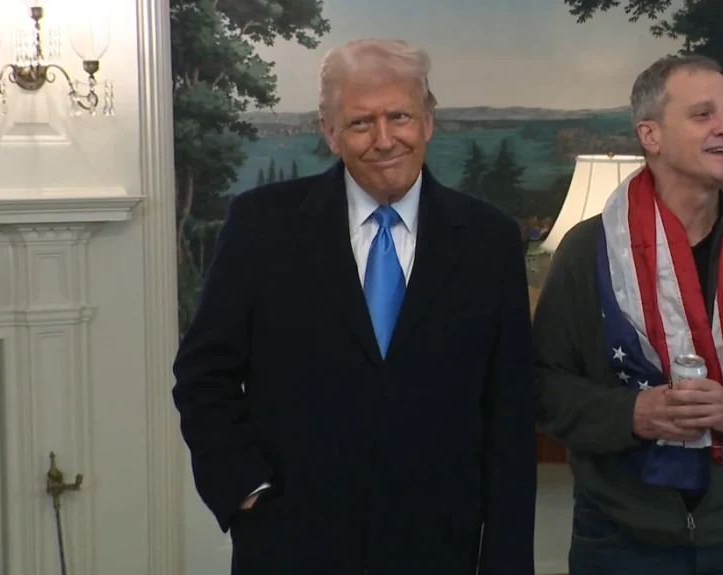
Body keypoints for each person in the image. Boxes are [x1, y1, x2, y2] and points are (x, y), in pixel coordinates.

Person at [172, 39, 537, 575]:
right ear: (329, 131)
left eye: (400, 117)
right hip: (290, 545)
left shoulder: (490, 240)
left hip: (437, 549)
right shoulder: (262, 226)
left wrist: (507, 560)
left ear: (428, 121)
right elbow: (204, 375)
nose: (385, 140)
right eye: (362, 122)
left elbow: (510, 416)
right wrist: (244, 489)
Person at [533, 54, 723, 574]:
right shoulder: (590, 250)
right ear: (650, 135)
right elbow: (542, 387)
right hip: (619, 537)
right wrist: (632, 414)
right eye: (703, 114)